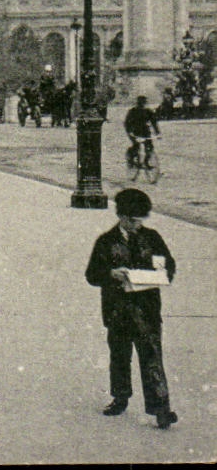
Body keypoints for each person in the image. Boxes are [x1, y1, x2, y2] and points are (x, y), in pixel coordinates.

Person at [84, 188, 177, 429]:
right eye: (134, 220)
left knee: (152, 357)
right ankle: (120, 397)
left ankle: (161, 409)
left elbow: (169, 266)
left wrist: (161, 274)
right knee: (120, 355)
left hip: (147, 310)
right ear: (123, 218)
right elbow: (92, 275)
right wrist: (111, 274)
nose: (138, 225)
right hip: (118, 310)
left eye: (141, 220)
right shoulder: (106, 241)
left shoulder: (153, 238)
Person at [124, 95, 161, 175]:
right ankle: (131, 159)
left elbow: (154, 122)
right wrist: (130, 132)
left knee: (150, 147)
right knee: (136, 146)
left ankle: (146, 161)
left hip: (145, 132)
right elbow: (127, 123)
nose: (142, 104)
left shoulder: (148, 111)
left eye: (143, 103)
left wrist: (158, 133)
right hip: (135, 132)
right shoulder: (132, 111)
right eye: (140, 103)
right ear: (137, 103)